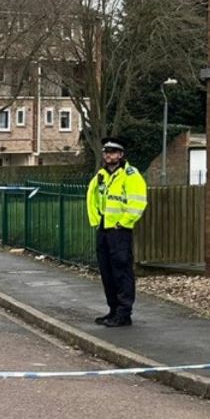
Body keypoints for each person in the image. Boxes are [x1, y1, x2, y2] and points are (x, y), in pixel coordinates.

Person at [86, 138, 147, 327]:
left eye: (112, 152)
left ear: (121, 155)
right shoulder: (101, 176)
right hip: (104, 229)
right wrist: (96, 219)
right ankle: (112, 310)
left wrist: (124, 222)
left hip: (119, 232)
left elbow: (138, 202)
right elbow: (92, 197)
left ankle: (123, 313)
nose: (108, 156)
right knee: (107, 273)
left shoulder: (130, 175)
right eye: (106, 152)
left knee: (121, 272)